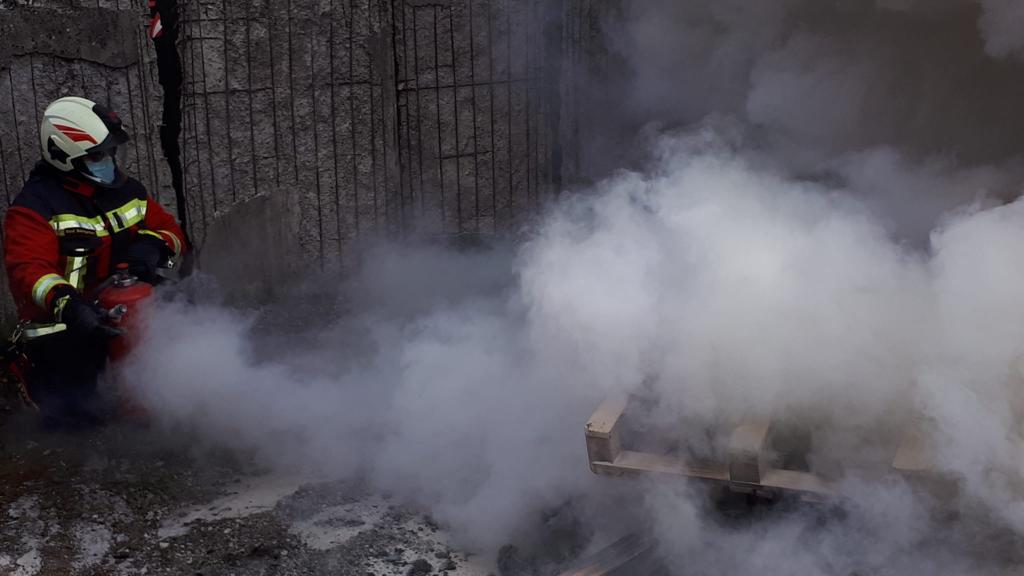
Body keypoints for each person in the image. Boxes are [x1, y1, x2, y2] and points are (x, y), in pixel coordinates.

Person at [3, 96, 187, 426]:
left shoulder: (127, 191)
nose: (108, 162)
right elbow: (29, 271)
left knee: (185, 316)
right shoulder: (34, 209)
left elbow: (171, 231)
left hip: (123, 312)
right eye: (97, 156)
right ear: (63, 156)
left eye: (110, 152)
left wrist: (153, 246)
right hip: (66, 330)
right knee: (76, 421)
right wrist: (69, 304)